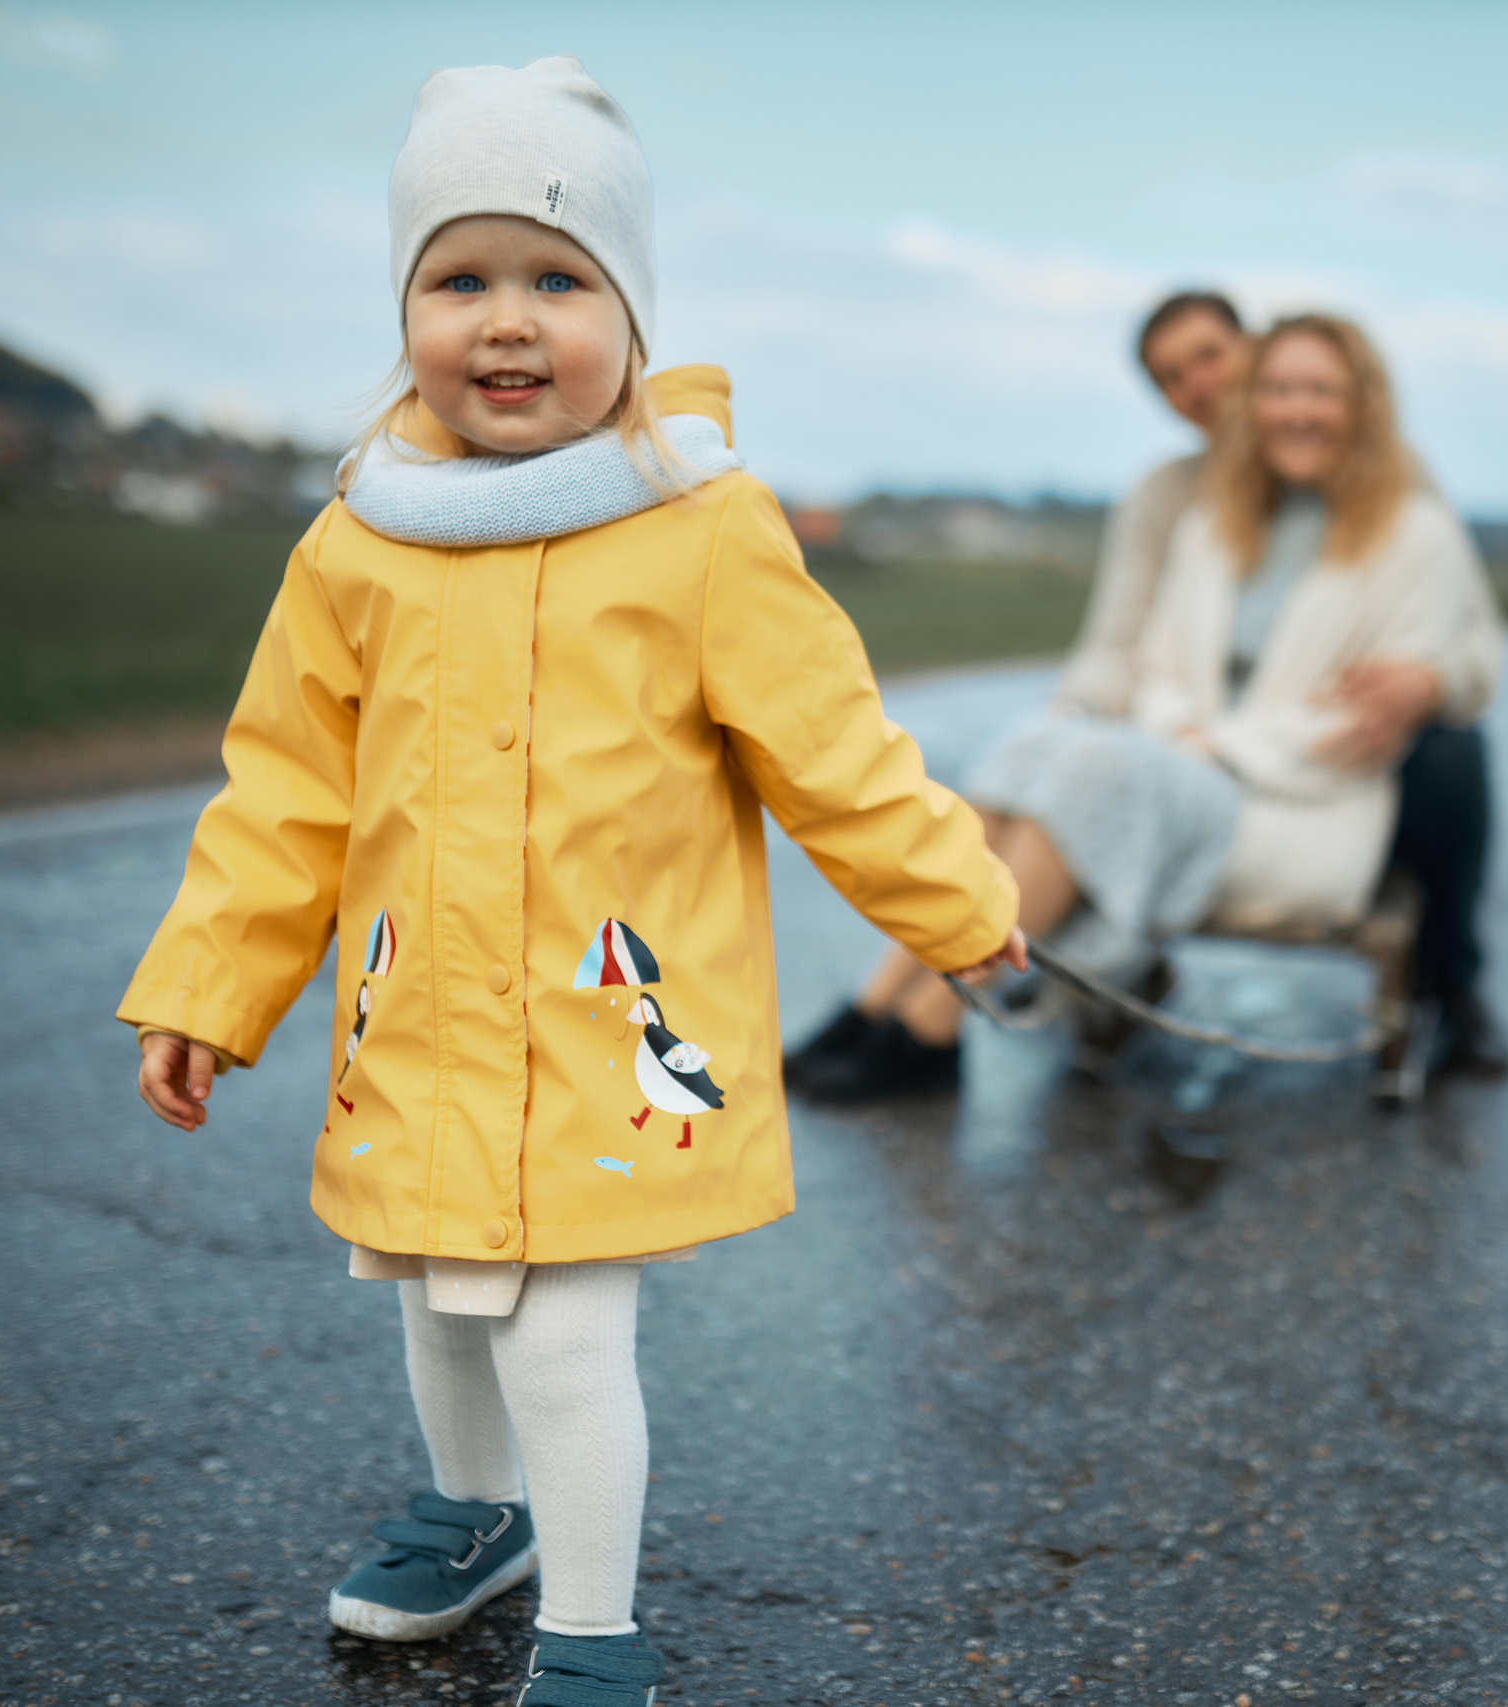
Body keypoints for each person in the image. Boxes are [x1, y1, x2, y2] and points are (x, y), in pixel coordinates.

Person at [118, 58, 1023, 1700]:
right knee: (437, 1296)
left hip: (606, 1016)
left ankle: (599, 1639)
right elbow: (285, 792)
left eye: (559, 278)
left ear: (633, 307)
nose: (509, 320)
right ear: (406, 313)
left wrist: (955, 907)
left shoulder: (699, 525)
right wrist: (208, 986)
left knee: (557, 1327)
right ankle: (476, 1518)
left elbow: (837, 749)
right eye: (459, 280)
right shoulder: (354, 541)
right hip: (421, 1012)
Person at [792, 312, 1500, 1103]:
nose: (1296, 409)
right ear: (1252, 400)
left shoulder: (1414, 529)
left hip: (1300, 801)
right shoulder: (1210, 519)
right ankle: (880, 1006)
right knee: (1034, 747)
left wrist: (1209, 743)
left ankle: (936, 1023)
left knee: (1098, 775)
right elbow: (1148, 659)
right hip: (1190, 763)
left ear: (1363, 401)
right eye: (1279, 390)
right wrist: (1126, 725)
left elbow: (1384, 700)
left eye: (1320, 390)